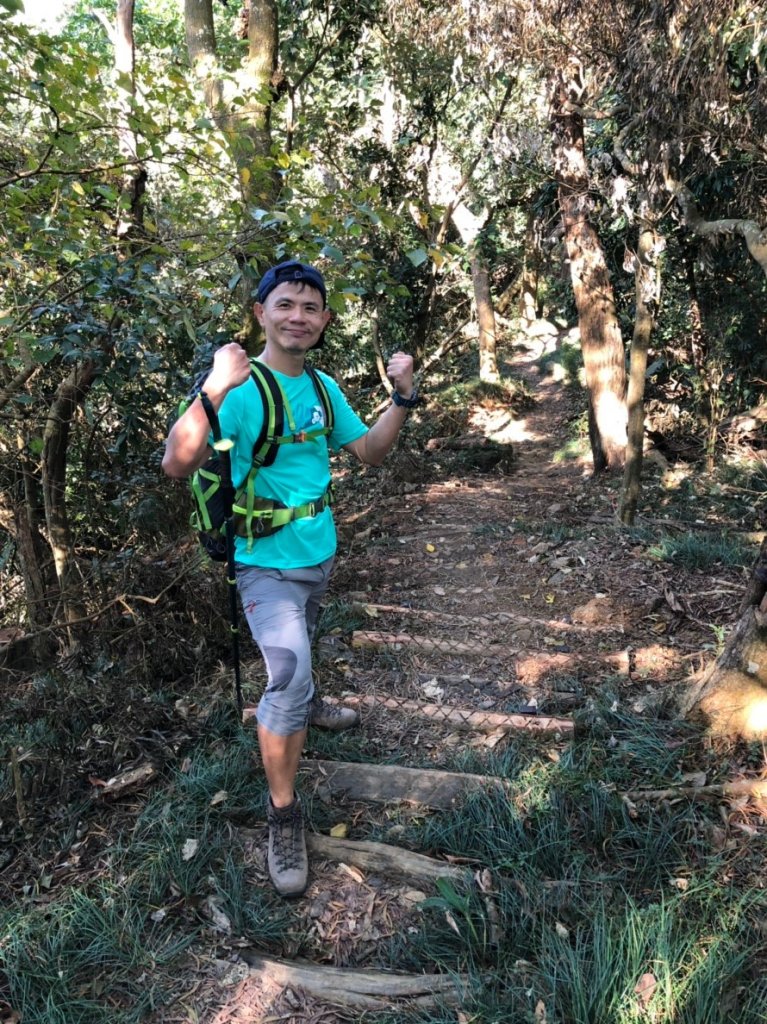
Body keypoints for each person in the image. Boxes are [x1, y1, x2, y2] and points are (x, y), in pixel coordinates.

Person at [162, 260, 418, 897]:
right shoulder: (241, 390)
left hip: (318, 548)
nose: (297, 317)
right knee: (288, 670)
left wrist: (402, 396)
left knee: (302, 642)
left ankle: (308, 703)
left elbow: (370, 452)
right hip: (262, 561)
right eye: (285, 305)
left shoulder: (325, 389)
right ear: (261, 314)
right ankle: (283, 813)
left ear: (325, 321)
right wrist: (215, 388)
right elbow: (176, 462)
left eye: (309, 308)